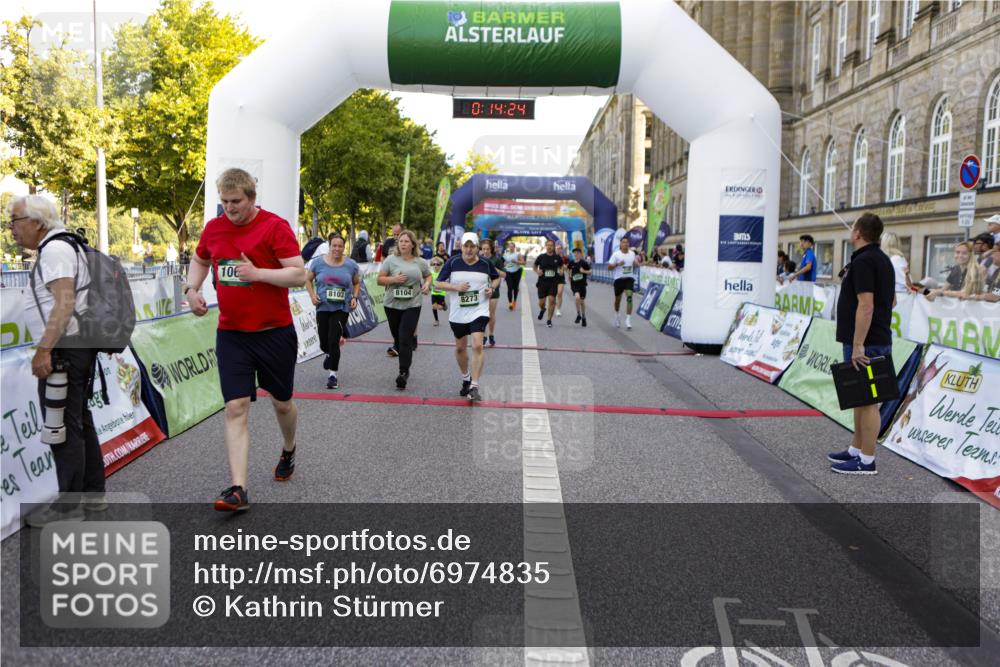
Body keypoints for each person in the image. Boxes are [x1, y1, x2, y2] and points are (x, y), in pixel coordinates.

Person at [184, 168, 306, 511]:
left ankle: (289, 448)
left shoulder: (274, 226)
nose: (229, 208)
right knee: (235, 407)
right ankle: (238, 489)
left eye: (235, 201)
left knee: (282, 402)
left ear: (251, 198)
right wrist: (191, 289)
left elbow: (299, 274)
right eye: (224, 201)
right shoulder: (214, 228)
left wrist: (257, 273)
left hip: (274, 333)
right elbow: (200, 259)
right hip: (232, 334)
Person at [9, 195, 104, 525]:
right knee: (77, 421)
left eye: (15, 220)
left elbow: (64, 303)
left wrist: (44, 349)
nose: (11, 228)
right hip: (74, 347)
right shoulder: (64, 245)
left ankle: (69, 508)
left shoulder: (54, 251)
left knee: (60, 426)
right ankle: (92, 497)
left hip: (64, 350)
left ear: (37, 222)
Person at [829, 213, 894, 476]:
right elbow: (890, 301)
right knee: (860, 398)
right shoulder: (880, 259)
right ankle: (856, 449)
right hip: (870, 338)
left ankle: (867, 460)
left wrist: (858, 344)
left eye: (853, 226)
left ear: (857, 233)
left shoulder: (866, 261)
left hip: (867, 342)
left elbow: (866, 306)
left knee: (868, 401)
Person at [434, 232, 500, 402]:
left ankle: (474, 386)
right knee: (460, 348)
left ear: (477, 248)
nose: (469, 250)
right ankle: (466, 378)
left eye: (472, 246)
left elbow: (496, 278)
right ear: (461, 247)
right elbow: (438, 283)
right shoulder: (453, 262)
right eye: (466, 246)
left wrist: (491, 288)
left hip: (479, 310)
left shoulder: (485, 263)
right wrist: (455, 287)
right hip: (458, 313)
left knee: (477, 345)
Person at [304, 233, 360, 389]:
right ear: (329, 246)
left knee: (334, 339)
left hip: (342, 308)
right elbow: (308, 280)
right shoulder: (318, 263)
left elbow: (356, 283)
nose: (337, 248)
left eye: (340, 246)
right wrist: (312, 295)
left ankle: (333, 375)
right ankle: (328, 353)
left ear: (344, 247)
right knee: (324, 341)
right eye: (334, 245)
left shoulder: (351, 265)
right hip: (323, 306)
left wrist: (355, 297)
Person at [378, 229, 431, 389]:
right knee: (398, 338)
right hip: (392, 305)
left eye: (406, 241)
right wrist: (394, 279)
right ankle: (401, 355)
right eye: (401, 241)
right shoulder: (390, 260)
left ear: (413, 244)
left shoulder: (420, 262)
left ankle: (403, 372)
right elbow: (380, 280)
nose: (403, 244)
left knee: (405, 338)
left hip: (412, 304)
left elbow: (428, 275)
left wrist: (427, 284)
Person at [479, 238, 506, 347]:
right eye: (483, 249)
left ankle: (491, 334)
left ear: (491, 249)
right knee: (482, 314)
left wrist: (494, 269)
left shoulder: (497, 260)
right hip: (481, 289)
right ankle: (484, 336)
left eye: (487, 249)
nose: (485, 251)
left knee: (491, 314)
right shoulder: (478, 259)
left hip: (493, 289)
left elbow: (504, 275)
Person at [608, 236, 638, 329]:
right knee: (617, 301)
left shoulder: (632, 253)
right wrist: (617, 264)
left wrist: (636, 264)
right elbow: (609, 267)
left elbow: (634, 264)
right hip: (618, 279)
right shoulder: (616, 254)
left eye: (627, 242)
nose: (626, 244)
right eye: (624, 242)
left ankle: (628, 320)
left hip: (629, 279)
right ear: (620, 244)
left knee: (629, 297)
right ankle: (617, 315)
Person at [533, 239, 563, 328]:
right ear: (546, 246)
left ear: (553, 247)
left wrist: (561, 271)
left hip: (553, 283)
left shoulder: (557, 258)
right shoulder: (541, 257)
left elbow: (561, 266)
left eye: (551, 245)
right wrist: (537, 271)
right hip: (542, 283)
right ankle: (543, 309)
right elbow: (534, 266)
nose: (549, 247)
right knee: (541, 303)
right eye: (548, 245)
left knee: (552, 300)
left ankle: (549, 320)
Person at [567, 247, 592, 326]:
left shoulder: (583, 263)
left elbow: (590, 271)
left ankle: (583, 316)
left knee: (582, 301)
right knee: (577, 297)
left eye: (577, 253)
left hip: (582, 285)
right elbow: (569, 269)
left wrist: (584, 271)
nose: (576, 254)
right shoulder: (571, 262)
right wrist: (569, 276)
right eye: (575, 253)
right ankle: (578, 315)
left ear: (580, 254)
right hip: (574, 284)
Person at [502, 240, 524, 310]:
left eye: (512, 247)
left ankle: (514, 301)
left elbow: (523, 262)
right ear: (508, 247)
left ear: (514, 247)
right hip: (508, 273)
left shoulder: (517, 254)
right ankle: (510, 303)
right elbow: (503, 263)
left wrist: (516, 261)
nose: (511, 248)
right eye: (510, 247)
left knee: (515, 288)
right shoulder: (505, 254)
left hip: (517, 272)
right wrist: (504, 264)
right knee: (509, 287)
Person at [429, 255, 447, 325]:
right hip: (434, 292)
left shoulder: (442, 273)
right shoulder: (431, 273)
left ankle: (444, 304)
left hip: (441, 292)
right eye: (434, 264)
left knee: (440, 307)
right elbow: (429, 280)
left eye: (437, 264)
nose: (435, 266)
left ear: (440, 265)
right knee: (434, 306)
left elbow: (446, 281)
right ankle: (436, 320)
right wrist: (428, 286)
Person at [554, 242, 569, 318]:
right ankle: (552, 305)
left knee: (559, 293)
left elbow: (567, 267)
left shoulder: (565, 258)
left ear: (562, 249)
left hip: (561, 278)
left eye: (560, 248)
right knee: (552, 295)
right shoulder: (552, 257)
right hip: (552, 278)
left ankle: (558, 309)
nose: (558, 250)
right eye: (557, 248)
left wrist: (564, 268)